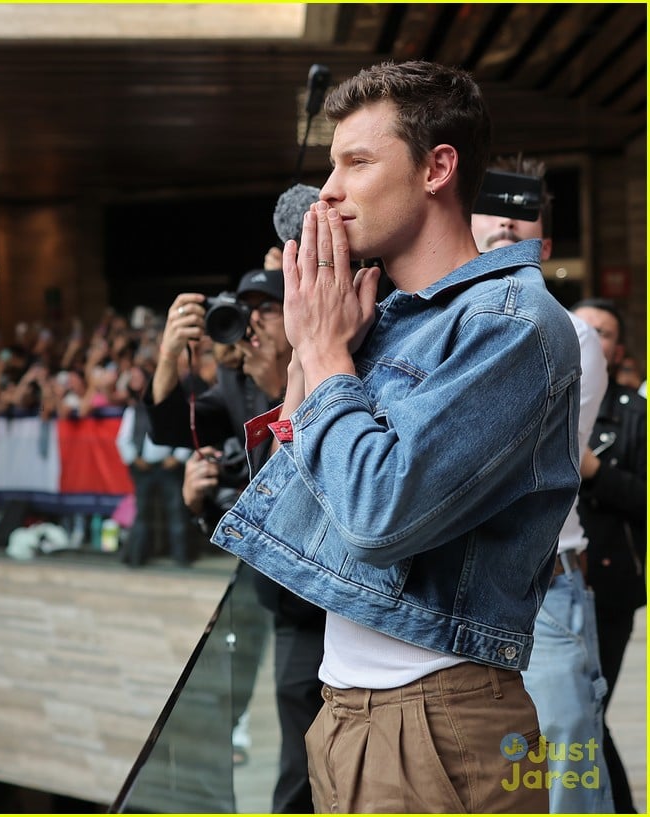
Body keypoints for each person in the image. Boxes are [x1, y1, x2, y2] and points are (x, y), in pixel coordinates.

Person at [202, 60, 581, 813]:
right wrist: (314, 358)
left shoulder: (510, 324)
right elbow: (288, 504)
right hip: (347, 708)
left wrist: (324, 356)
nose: (330, 190)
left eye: (357, 162)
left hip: (440, 718)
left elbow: (378, 516)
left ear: (439, 167)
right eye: (329, 164)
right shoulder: (382, 316)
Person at [146, 265, 325, 813]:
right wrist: (168, 354)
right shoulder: (234, 387)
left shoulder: (331, 377)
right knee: (299, 753)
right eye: (245, 311)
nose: (251, 323)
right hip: (289, 604)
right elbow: (171, 428)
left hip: (345, 595)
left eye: (265, 308)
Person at [472, 155, 613, 813]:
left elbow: (508, 460)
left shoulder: (571, 332)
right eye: (491, 201)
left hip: (543, 589)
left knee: (564, 782)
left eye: (521, 206)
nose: (504, 215)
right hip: (461, 592)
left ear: (544, 243)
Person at [571, 297, 647, 814]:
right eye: (583, 327)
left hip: (609, 586)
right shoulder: (539, 395)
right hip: (544, 583)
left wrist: (594, 471)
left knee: (587, 711)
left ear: (617, 350)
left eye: (603, 332)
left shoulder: (633, 411)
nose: (591, 338)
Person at [115, 400, 192, 566]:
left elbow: (187, 435)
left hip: (168, 467)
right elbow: (123, 439)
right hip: (143, 467)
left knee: (176, 511)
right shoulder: (135, 410)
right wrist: (135, 459)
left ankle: (181, 557)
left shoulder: (175, 408)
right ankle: (137, 557)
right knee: (142, 514)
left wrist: (178, 457)